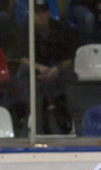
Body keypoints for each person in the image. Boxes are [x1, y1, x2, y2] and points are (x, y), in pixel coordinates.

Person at [13, 0, 78, 134]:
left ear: (49, 13)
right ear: (32, 14)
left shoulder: (60, 28)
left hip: (55, 68)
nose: (40, 15)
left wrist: (57, 69)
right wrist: (39, 68)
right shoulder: (24, 29)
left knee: (70, 74)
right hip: (34, 68)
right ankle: (26, 115)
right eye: (37, 12)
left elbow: (69, 58)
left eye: (43, 12)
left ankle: (68, 118)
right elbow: (22, 57)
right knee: (22, 71)